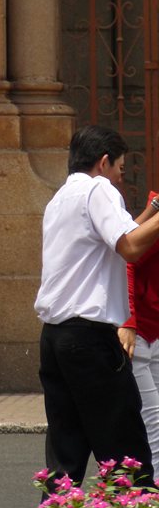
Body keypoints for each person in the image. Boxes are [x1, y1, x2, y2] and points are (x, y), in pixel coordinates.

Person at [34, 124, 159, 492]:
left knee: (66, 449)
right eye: (120, 168)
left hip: (56, 336)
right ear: (104, 162)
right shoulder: (99, 188)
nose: (121, 177)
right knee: (126, 449)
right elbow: (132, 248)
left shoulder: (61, 198)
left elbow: (118, 238)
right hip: (89, 337)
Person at [118, 190, 159, 478]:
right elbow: (127, 263)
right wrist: (129, 321)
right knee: (153, 419)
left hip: (155, 332)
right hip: (141, 334)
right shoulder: (154, 215)